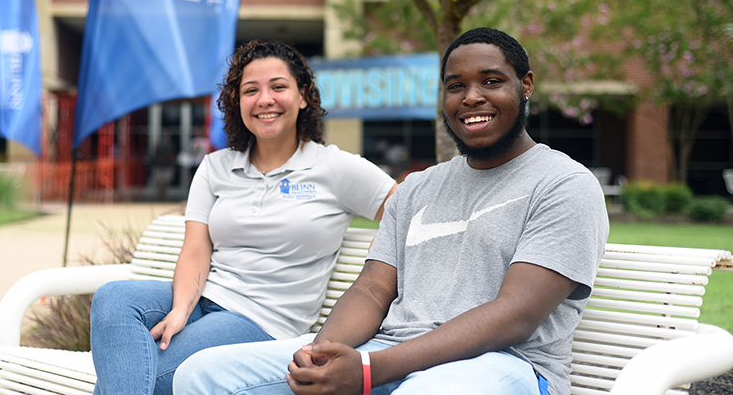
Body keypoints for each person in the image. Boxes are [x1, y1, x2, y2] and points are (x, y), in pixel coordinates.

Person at [172, 27, 609, 395]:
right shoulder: (419, 187)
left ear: (525, 85)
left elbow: (515, 315)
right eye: (456, 86)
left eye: (491, 81)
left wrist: (367, 371)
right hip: (391, 351)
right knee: (201, 373)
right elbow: (371, 291)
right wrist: (320, 356)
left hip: (506, 365)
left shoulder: (563, 185)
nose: (472, 97)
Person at [90, 41, 397, 395]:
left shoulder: (334, 167)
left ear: (303, 97)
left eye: (278, 87)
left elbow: (406, 210)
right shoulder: (216, 166)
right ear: (238, 102)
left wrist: (385, 242)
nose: (265, 99)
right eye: (251, 90)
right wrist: (179, 310)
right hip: (204, 297)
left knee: (154, 377)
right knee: (113, 297)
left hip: (261, 320)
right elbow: (195, 249)